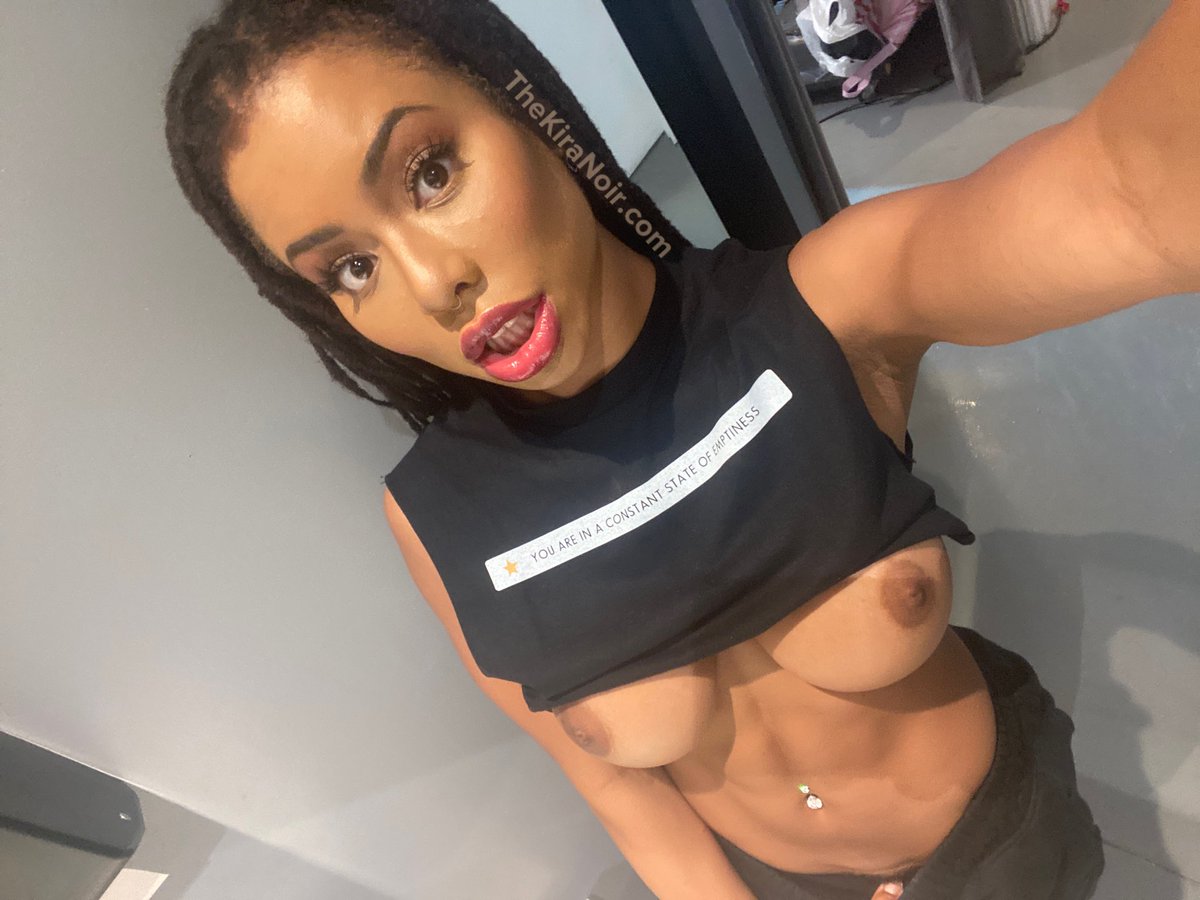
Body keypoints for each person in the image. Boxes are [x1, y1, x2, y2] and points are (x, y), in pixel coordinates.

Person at [163, 1, 1196, 897]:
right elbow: (619, 790)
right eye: (350, 268)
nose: (433, 284)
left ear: (525, 109)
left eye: (430, 173)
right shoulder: (439, 517)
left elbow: (1131, 195)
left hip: (1003, 851)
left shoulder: (826, 307)